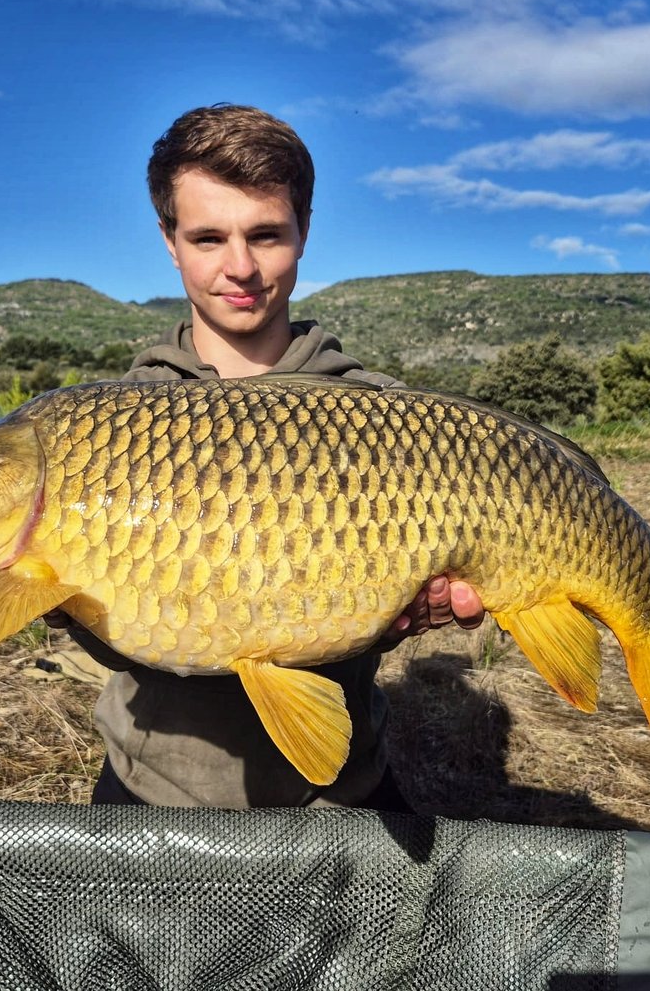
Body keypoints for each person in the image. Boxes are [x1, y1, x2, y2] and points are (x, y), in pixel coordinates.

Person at [50, 103, 484, 811]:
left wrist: (418, 606)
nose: (240, 267)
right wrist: (59, 604)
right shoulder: (109, 425)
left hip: (339, 790)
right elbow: (124, 638)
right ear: (169, 240)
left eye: (266, 235)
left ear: (304, 232)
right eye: (208, 237)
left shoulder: (385, 415)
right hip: (150, 790)